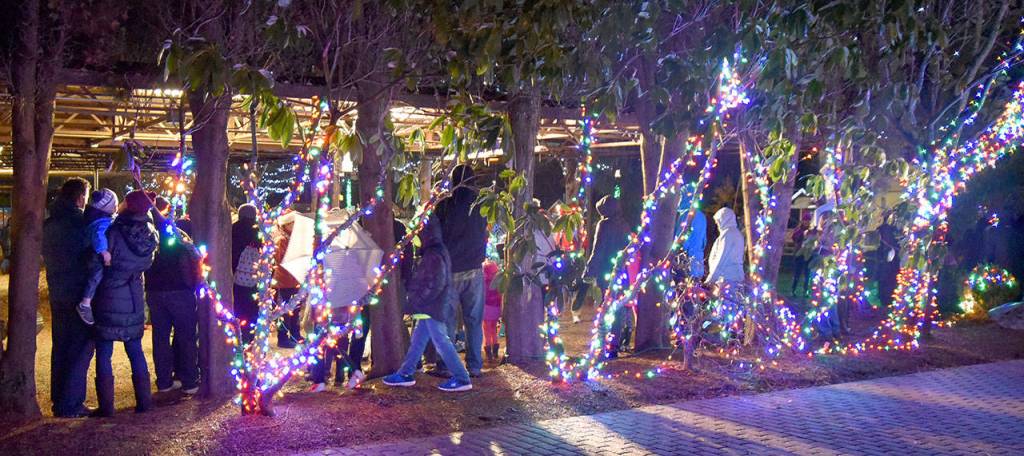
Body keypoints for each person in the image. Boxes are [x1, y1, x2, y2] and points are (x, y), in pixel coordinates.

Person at [84, 190, 158, 416]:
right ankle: (144, 402)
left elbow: (97, 263)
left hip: (109, 294)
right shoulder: (150, 232)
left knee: (104, 351)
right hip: (134, 295)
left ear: (129, 205)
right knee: (135, 349)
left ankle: (106, 407)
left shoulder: (113, 230)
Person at [383, 214, 473, 392]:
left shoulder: (433, 254)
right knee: (418, 340)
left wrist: (417, 300)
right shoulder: (435, 251)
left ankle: (462, 378)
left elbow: (434, 283)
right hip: (430, 306)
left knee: (441, 342)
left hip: (431, 306)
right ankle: (406, 373)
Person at [42, 177, 95, 418]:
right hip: (78, 293)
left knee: (61, 346)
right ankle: (71, 403)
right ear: (80, 197)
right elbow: (90, 256)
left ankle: (59, 399)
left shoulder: (50, 223)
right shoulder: (81, 224)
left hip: (57, 291)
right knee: (80, 347)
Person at [434, 164, 488, 377]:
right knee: (474, 321)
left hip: (450, 270)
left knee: (447, 320)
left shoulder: (445, 206)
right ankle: (474, 366)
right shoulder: (481, 205)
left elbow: (435, 235)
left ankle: (446, 366)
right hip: (474, 268)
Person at [145, 197, 202, 394]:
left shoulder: (147, 234)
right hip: (179, 290)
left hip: (154, 291)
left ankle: (164, 381)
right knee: (186, 336)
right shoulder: (177, 235)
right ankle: (190, 381)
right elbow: (195, 255)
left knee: (160, 337)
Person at [575, 196, 630, 357]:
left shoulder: (604, 225)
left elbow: (597, 250)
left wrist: (589, 270)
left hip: (606, 270)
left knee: (604, 306)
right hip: (621, 271)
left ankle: (603, 344)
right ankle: (614, 345)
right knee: (617, 308)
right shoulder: (624, 225)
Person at [76, 188, 119, 325]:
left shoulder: (96, 218)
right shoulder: (101, 222)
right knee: (96, 276)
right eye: (114, 205)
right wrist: (104, 252)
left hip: (90, 253)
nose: (116, 207)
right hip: (95, 255)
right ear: (107, 207)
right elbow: (98, 236)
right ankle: (85, 303)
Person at [272, 214, 302, 349]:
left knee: (295, 310)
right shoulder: (281, 240)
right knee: (284, 312)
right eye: (292, 223)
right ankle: (283, 338)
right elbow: (279, 259)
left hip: (295, 280)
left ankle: (296, 334)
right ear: (286, 225)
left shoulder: (295, 239)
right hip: (283, 281)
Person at [232, 204, 261, 344]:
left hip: (236, 278)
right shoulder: (259, 230)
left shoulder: (233, 229)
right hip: (255, 280)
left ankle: (238, 341)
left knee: (238, 310)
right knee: (253, 312)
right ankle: (250, 342)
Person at [706, 207, 745, 286]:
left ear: (724, 219)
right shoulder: (735, 233)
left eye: (718, 221)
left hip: (726, 279)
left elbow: (721, 257)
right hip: (733, 278)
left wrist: (711, 279)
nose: (717, 224)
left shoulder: (728, 234)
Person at [676, 194, 707, 280]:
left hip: (686, 262)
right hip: (698, 260)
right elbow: (703, 240)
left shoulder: (687, 215)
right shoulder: (702, 216)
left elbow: (681, 237)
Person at [875, 213, 900, 307]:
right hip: (888, 263)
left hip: (887, 263)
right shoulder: (892, 230)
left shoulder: (883, 230)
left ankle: (886, 299)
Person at [482, 259, 502, 362]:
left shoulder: (484, 283)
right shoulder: (498, 282)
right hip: (496, 307)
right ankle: (495, 352)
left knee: (486, 330)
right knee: (494, 329)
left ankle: (488, 353)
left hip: (487, 307)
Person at [790, 218, 811, 296]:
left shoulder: (811, 230)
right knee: (797, 273)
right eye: (805, 220)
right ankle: (793, 290)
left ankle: (805, 291)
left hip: (808, 254)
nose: (807, 222)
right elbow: (794, 238)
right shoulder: (799, 230)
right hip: (799, 254)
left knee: (807, 274)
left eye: (808, 220)